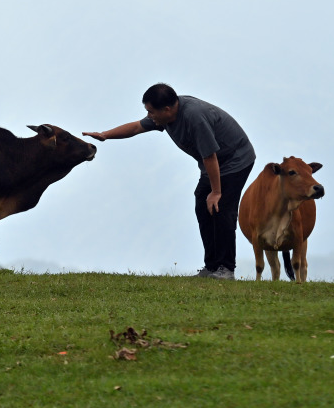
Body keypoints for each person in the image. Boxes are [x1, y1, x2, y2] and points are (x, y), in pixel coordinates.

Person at [83, 83, 255, 280]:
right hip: (213, 164)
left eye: (151, 111)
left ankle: (226, 269)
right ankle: (212, 266)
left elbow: (210, 156)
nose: (150, 116)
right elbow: (137, 127)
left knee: (222, 208)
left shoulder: (194, 118)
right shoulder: (163, 115)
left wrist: (216, 192)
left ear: (167, 109)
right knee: (202, 205)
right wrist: (105, 135)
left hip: (235, 159)